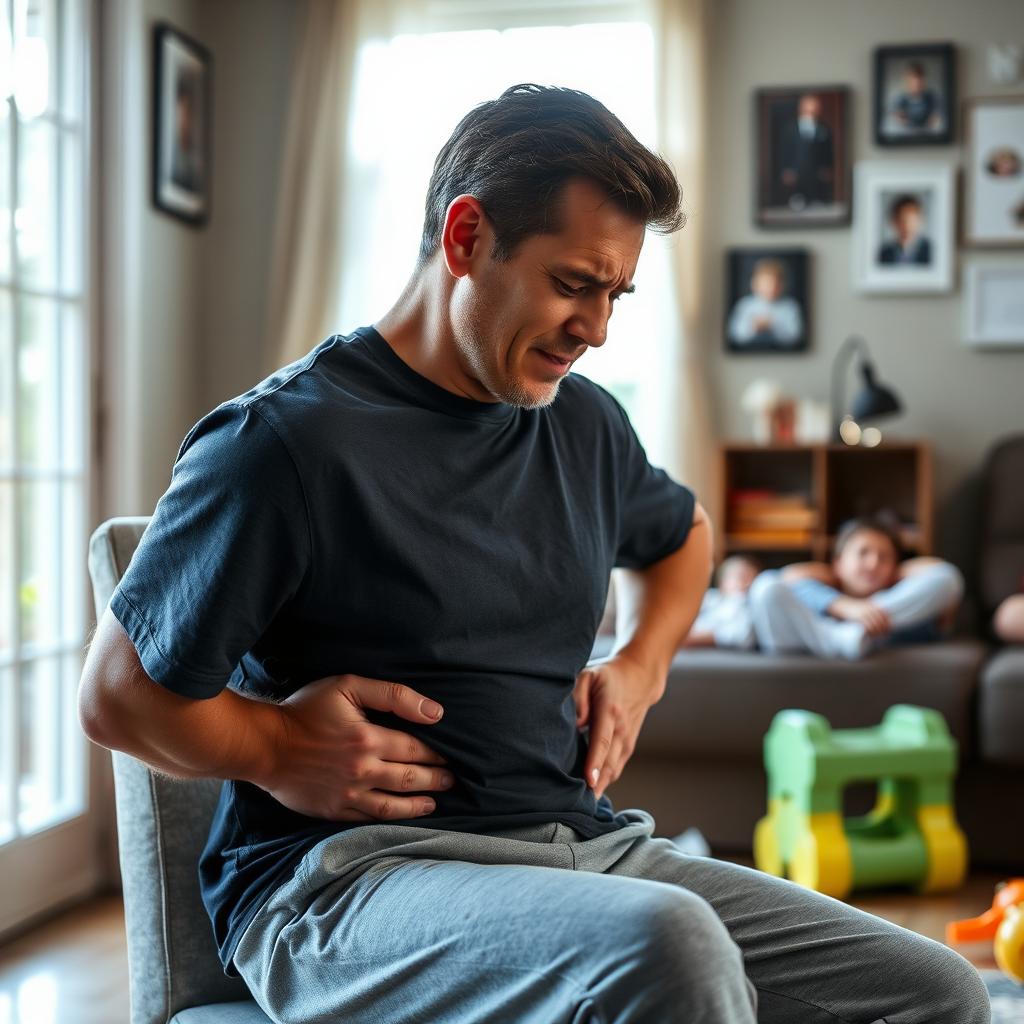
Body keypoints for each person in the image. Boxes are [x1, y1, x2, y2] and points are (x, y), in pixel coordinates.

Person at [78, 85, 988, 1023]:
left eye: (615, 294)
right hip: (345, 885)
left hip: (581, 848)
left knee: (935, 993)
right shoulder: (283, 444)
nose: (596, 330)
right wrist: (274, 747)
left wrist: (636, 667)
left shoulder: (582, 422)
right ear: (466, 238)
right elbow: (114, 693)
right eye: (573, 284)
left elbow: (684, 538)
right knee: (667, 944)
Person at [749, 516, 964, 660]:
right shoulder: (821, 593)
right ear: (839, 563)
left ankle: (848, 636)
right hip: (796, 644)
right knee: (766, 584)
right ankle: (844, 638)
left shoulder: (904, 601)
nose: (873, 564)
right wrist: (845, 606)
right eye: (863, 553)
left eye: (884, 558)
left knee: (949, 577)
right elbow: (787, 578)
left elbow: (943, 577)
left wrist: (893, 579)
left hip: (881, 620)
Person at [683, 554, 760, 649]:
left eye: (754, 579)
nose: (749, 583)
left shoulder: (747, 603)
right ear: (723, 583)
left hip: (711, 639)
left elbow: (742, 636)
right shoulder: (710, 598)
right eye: (742, 577)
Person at [775, 92, 834, 210]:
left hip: (816, 171)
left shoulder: (823, 128)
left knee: (816, 198)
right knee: (797, 199)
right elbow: (785, 150)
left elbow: (827, 151)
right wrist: (786, 169)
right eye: (808, 107)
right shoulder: (790, 129)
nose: (811, 111)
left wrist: (827, 167)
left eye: (814, 107)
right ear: (801, 108)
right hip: (797, 171)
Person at [727, 258, 804, 347]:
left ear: (782, 285)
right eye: (766, 284)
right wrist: (753, 327)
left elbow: (796, 337)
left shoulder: (790, 306)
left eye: (775, 284)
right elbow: (735, 335)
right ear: (755, 284)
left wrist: (773, 326)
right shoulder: (745, 305)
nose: (771, 288)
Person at [878, 193, 932, 266]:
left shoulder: (930, 251)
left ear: (920, 220)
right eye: (902, 220)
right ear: (894, 222)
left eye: (911, 220)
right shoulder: (884, 253)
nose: (907, 226)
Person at [890, 61, 941, 133]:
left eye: (921, 79)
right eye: (913, 79)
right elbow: (899, 122)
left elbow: (935, 122)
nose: (917, 84)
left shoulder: (932, 98)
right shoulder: (900, 100)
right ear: (907, 80)